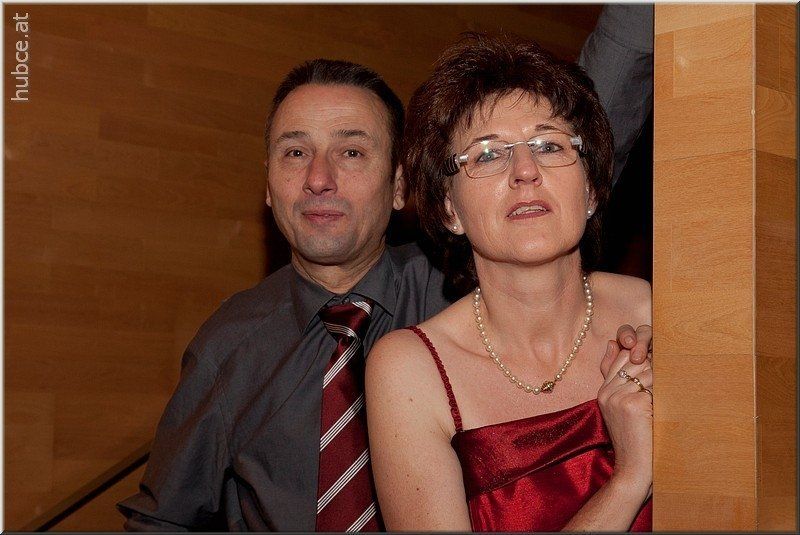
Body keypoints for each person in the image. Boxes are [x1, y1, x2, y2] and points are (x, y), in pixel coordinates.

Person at [119, 7, 654, 531]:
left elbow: (568, 131)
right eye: (295, 153)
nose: (319, 179)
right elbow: (162, 520)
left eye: (351, 152)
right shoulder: (230, 346)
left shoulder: (465, 279)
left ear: (402, 188)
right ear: (267, 185)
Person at [365, 32, 653, 532]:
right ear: (449, 209)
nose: (525, 171)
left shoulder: (655, 312)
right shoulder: (410, 370)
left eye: (549, 145)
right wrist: (631, 478)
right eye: (487, 155)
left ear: (591, 189)